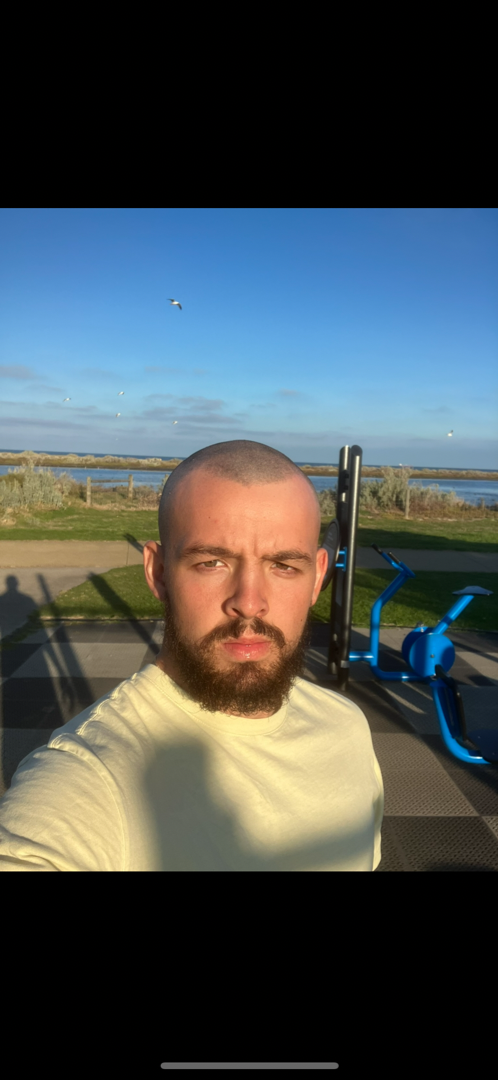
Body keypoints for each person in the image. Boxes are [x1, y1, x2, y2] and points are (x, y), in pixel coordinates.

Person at [0, 440, 383, 871]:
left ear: (316, 578)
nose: (249, 603)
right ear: (159, 573)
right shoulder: (88, 779)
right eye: (212, 563)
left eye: (284, 566)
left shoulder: (347, 728)